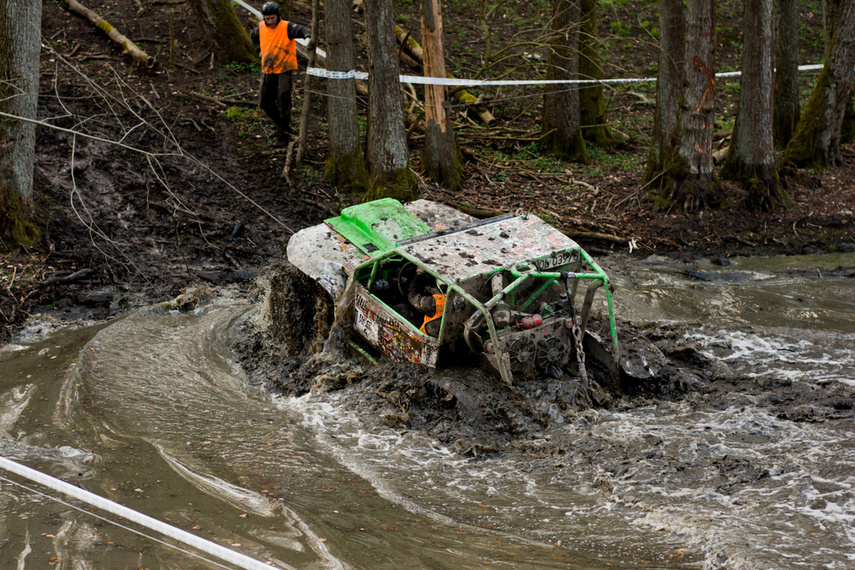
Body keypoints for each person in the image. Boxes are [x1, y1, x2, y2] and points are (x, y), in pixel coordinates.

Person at [250, 2, 311, 147]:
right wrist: (259, 50)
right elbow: (253, 37)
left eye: (273, 18)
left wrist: (308, 38)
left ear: (278, 16)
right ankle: (284, 127)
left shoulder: (287, 27)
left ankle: (284, 136)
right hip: (268, 69)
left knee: (283, 101)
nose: (270, 22)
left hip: (284, 69)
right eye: (268, 19)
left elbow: (303, 30)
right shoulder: (260, 27)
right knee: (265, 102)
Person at [408, 271, 446, 337]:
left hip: (424, 336)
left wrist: (419, 275)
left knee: (401, 307)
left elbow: (411, 296)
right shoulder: (459, 298)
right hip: (443, 332)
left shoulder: (433, 303)